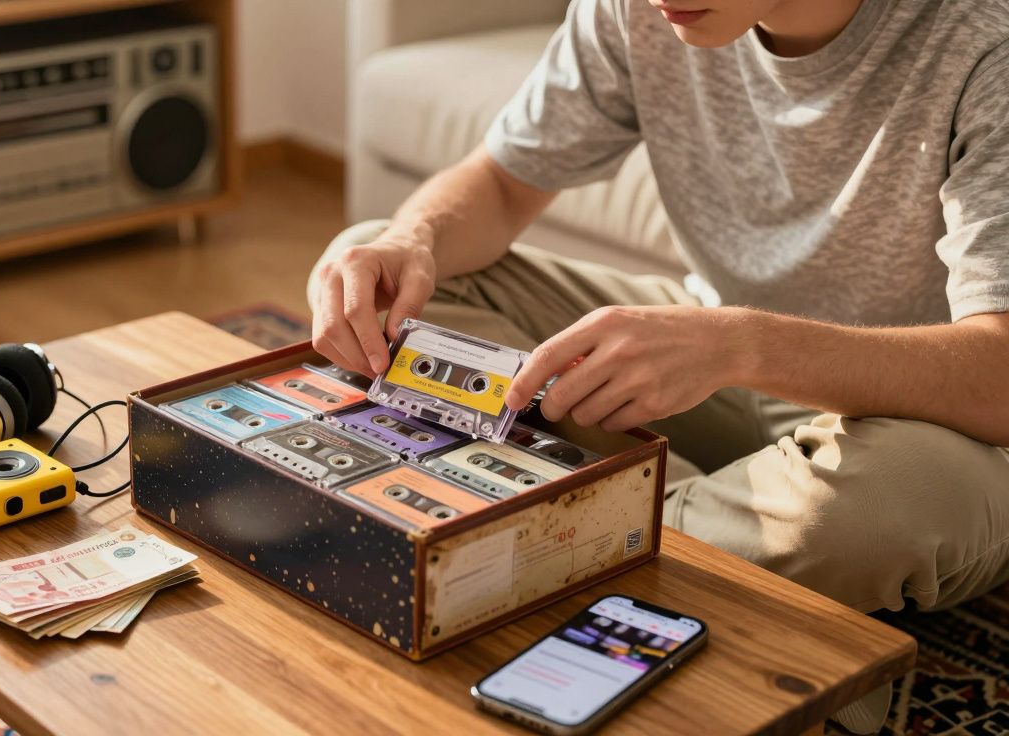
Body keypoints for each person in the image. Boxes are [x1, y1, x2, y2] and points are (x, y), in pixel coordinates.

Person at [307, 0, 1009, 731]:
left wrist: (738, 344)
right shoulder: (638, 10)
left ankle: (564, 532)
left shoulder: (986, 43)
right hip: (712, 362)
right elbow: (503, 183)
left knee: (904, 495)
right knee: (390, 284)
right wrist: (411, 239)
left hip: (919, 426)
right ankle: (710, 563)